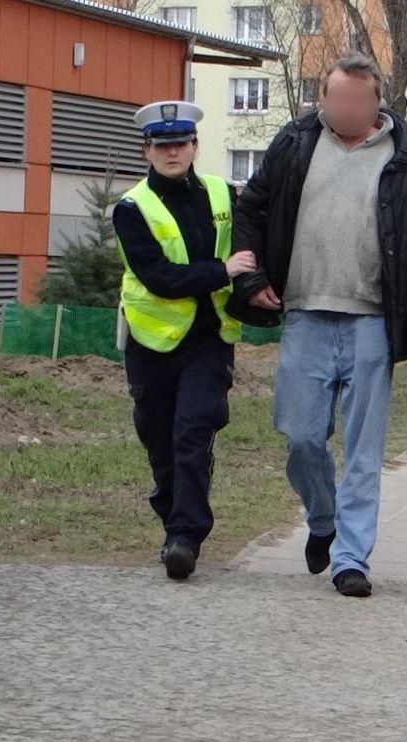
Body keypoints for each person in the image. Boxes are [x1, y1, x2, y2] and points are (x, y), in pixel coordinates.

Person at [229, 53, 407, 598]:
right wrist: (251, 280)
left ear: (376, 103)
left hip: (373, 320)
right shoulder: (295, 143)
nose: (343, 108)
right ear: (323, 99)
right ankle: (322, 518)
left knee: (364, 450)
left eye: (355, 100)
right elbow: (251, 208)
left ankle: (351, 559)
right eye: (334, 98)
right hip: (304, 311)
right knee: (301, 438)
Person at [113, 101, 255, 580]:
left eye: (181, 143)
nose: (172, 152)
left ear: (195, 146)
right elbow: (158, 277)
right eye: (162, 145)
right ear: (147, 150)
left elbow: (253, 245)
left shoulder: (222, 194)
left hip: (208, 340)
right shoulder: (132, 209)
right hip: (150, 342)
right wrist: (221, 271)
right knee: (159, 441)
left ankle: (185, 538)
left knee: (192, 432)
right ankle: (172, 512)